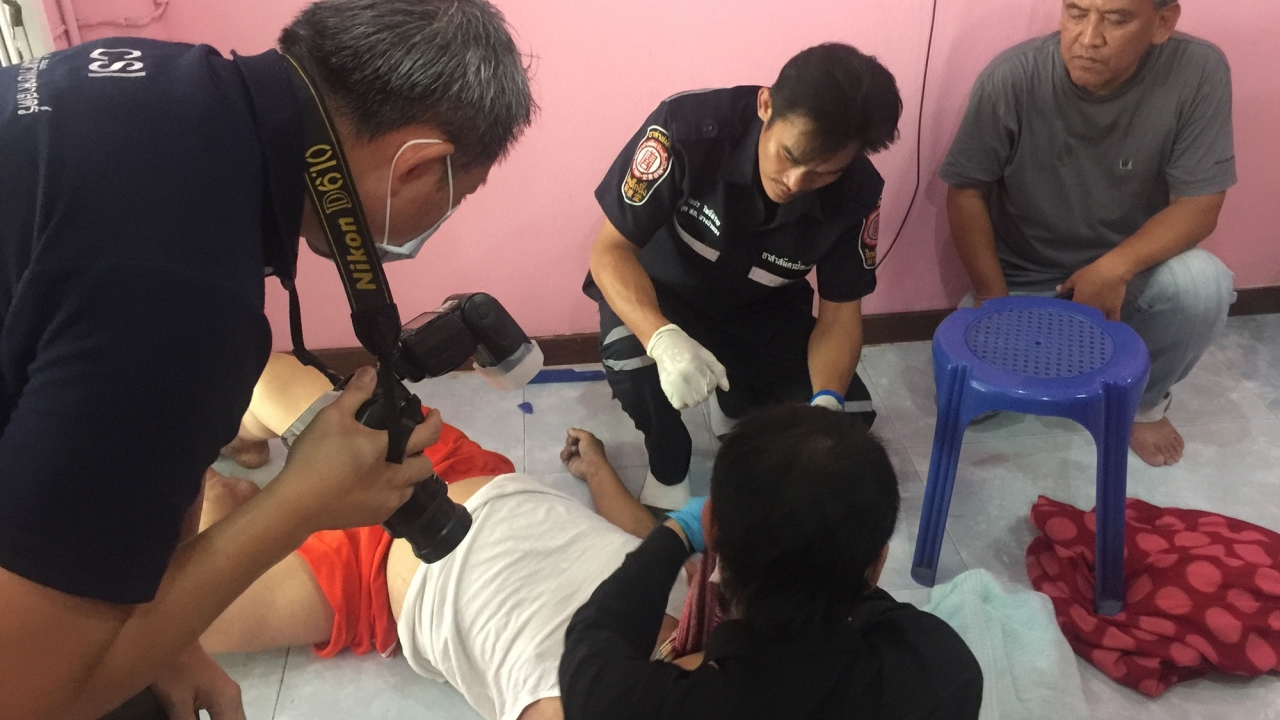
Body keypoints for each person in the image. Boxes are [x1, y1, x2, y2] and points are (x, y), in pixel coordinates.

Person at [0, 1, 534, 717]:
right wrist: (300, 504)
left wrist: (173, 640)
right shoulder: (181, 292)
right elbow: (25, 696)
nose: (441, 221)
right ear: (418, 166)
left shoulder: (177, 90)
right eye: (455, 198)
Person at [196, 353, 690, 720]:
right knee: (261, 376)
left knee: (186, 618)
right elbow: (653, 542)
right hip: (444, 475)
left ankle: (222, 497)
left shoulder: (591, 704)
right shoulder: (704, 602)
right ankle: (239, 453)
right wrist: (598, 471)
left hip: (371, 578)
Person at [584, 43, 903, 509]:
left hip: (761, 311)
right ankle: (668, 458)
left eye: (822, 174)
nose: (795, 182)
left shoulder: (856, 193)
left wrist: (827, 401)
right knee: (629, 359)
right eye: (789, 155)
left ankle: (736, 400)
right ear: (766, 104)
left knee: (845, 420)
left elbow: (839, 315)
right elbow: (609, 251)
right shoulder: (685, 129)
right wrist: (661, 339)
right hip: (663, 293)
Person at [940, 0, 1236, 467]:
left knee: (1204, 284)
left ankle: (1143, 402)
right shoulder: (1012, 77)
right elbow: (966, 192)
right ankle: (1060, 346)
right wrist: (993, 302)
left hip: (1129, 280)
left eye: (1116, 19)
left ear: (1162, 22)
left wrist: (1112, 270)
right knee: (971, 402)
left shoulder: (1198, 71)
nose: (1088, 38)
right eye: (1076, 12)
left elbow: (1199, 206)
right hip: (1024, 283)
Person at [559, 403, 983, 719]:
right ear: (877, 565)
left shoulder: (635, 704)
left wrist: (677, 533)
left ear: (710, 526)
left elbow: (595, 638)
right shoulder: (943, 669)